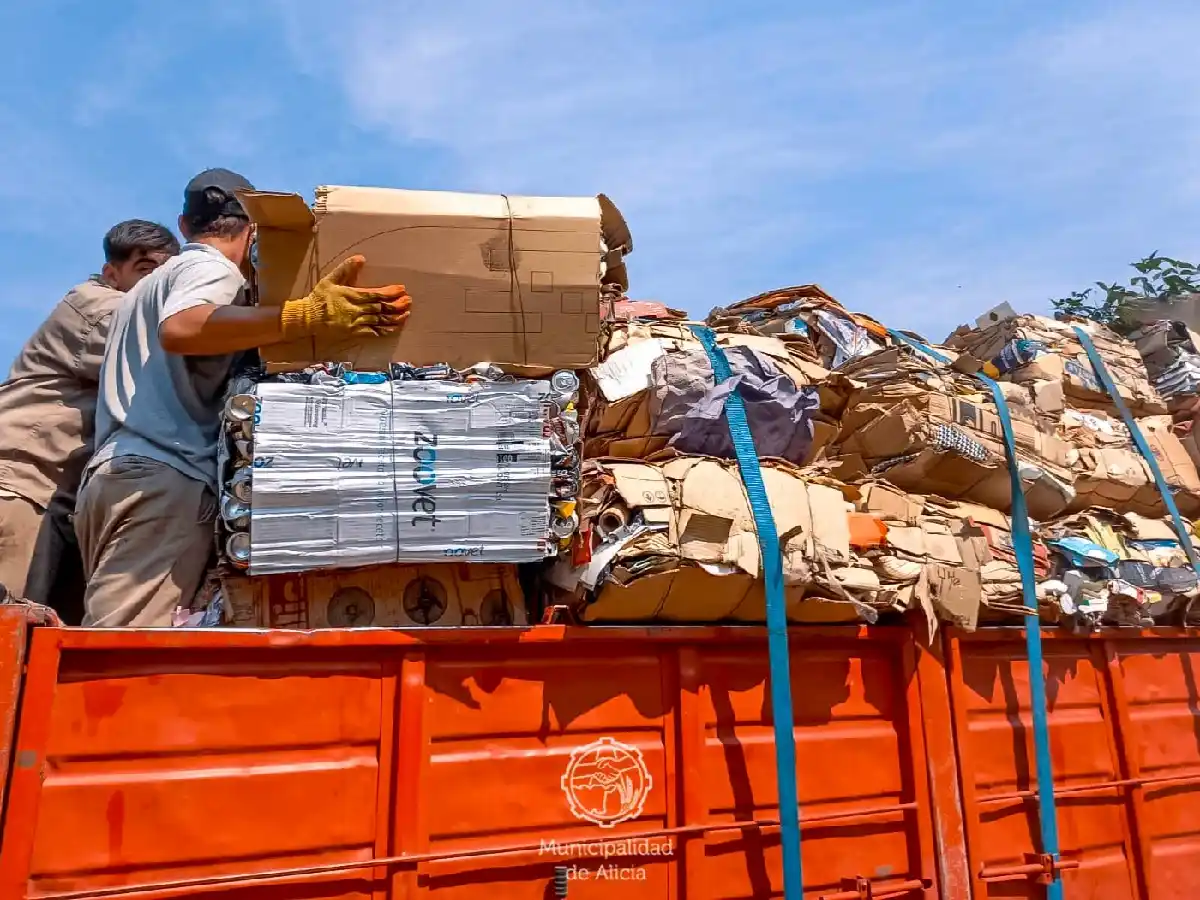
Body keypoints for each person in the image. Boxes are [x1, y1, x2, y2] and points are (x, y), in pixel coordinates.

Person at [76, 169, 411, 627]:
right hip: (162, 479)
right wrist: (301, 318)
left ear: (185, 224)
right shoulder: (209, 267)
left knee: (121, 627)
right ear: (251, 230)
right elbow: (183, 327)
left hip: (114, 476)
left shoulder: (144, 289)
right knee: (123, 654)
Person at [0, 220, 180, 621]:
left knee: (43, 641)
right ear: (111, 273)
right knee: (10, 634)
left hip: (60, 502)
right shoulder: (93, 306)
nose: (156, 286)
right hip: (22, 486)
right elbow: (174, 344)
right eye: (146, 270)